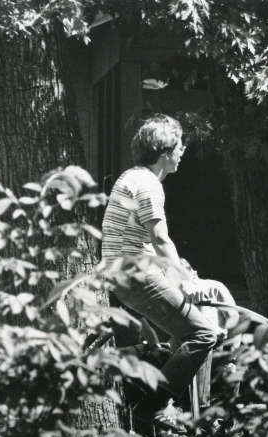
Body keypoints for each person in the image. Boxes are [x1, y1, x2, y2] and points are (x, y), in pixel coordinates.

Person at [101, 114, 223, 407]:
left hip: (121, 275)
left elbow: (144, 243)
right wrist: (185, 281)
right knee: (204, 333)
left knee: (177, 339)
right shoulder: (147, 184)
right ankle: (154, 407)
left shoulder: (131, 177)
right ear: (164, 150)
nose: (182, 152)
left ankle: (157, 416)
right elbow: (160, 239)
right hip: (134, 276)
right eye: (179, 146)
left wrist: (179, 272)